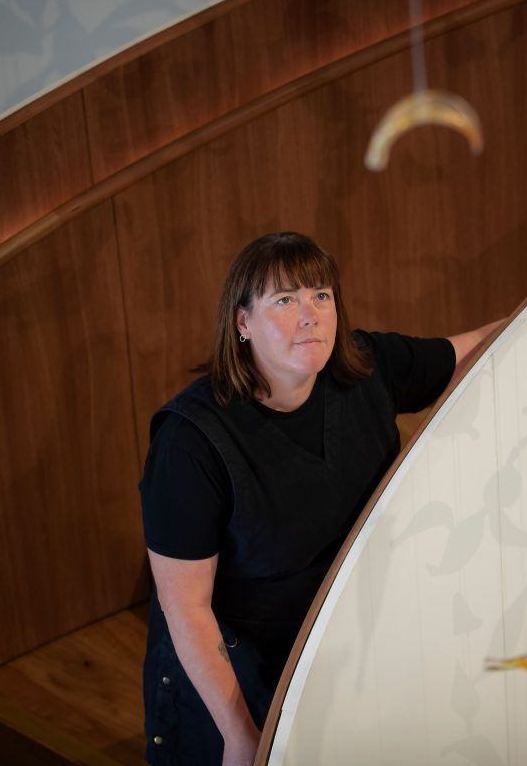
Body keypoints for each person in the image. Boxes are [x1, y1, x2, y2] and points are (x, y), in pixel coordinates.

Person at [139, 231, 498, 765]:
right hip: (237, 673)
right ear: (243, 323)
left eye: (321, 296)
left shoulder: (365, 366)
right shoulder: (190, 441)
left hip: (345, 647)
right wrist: (241, 734)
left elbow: (472, 350)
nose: (310, 315)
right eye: (284, 300)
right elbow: (185, 607)